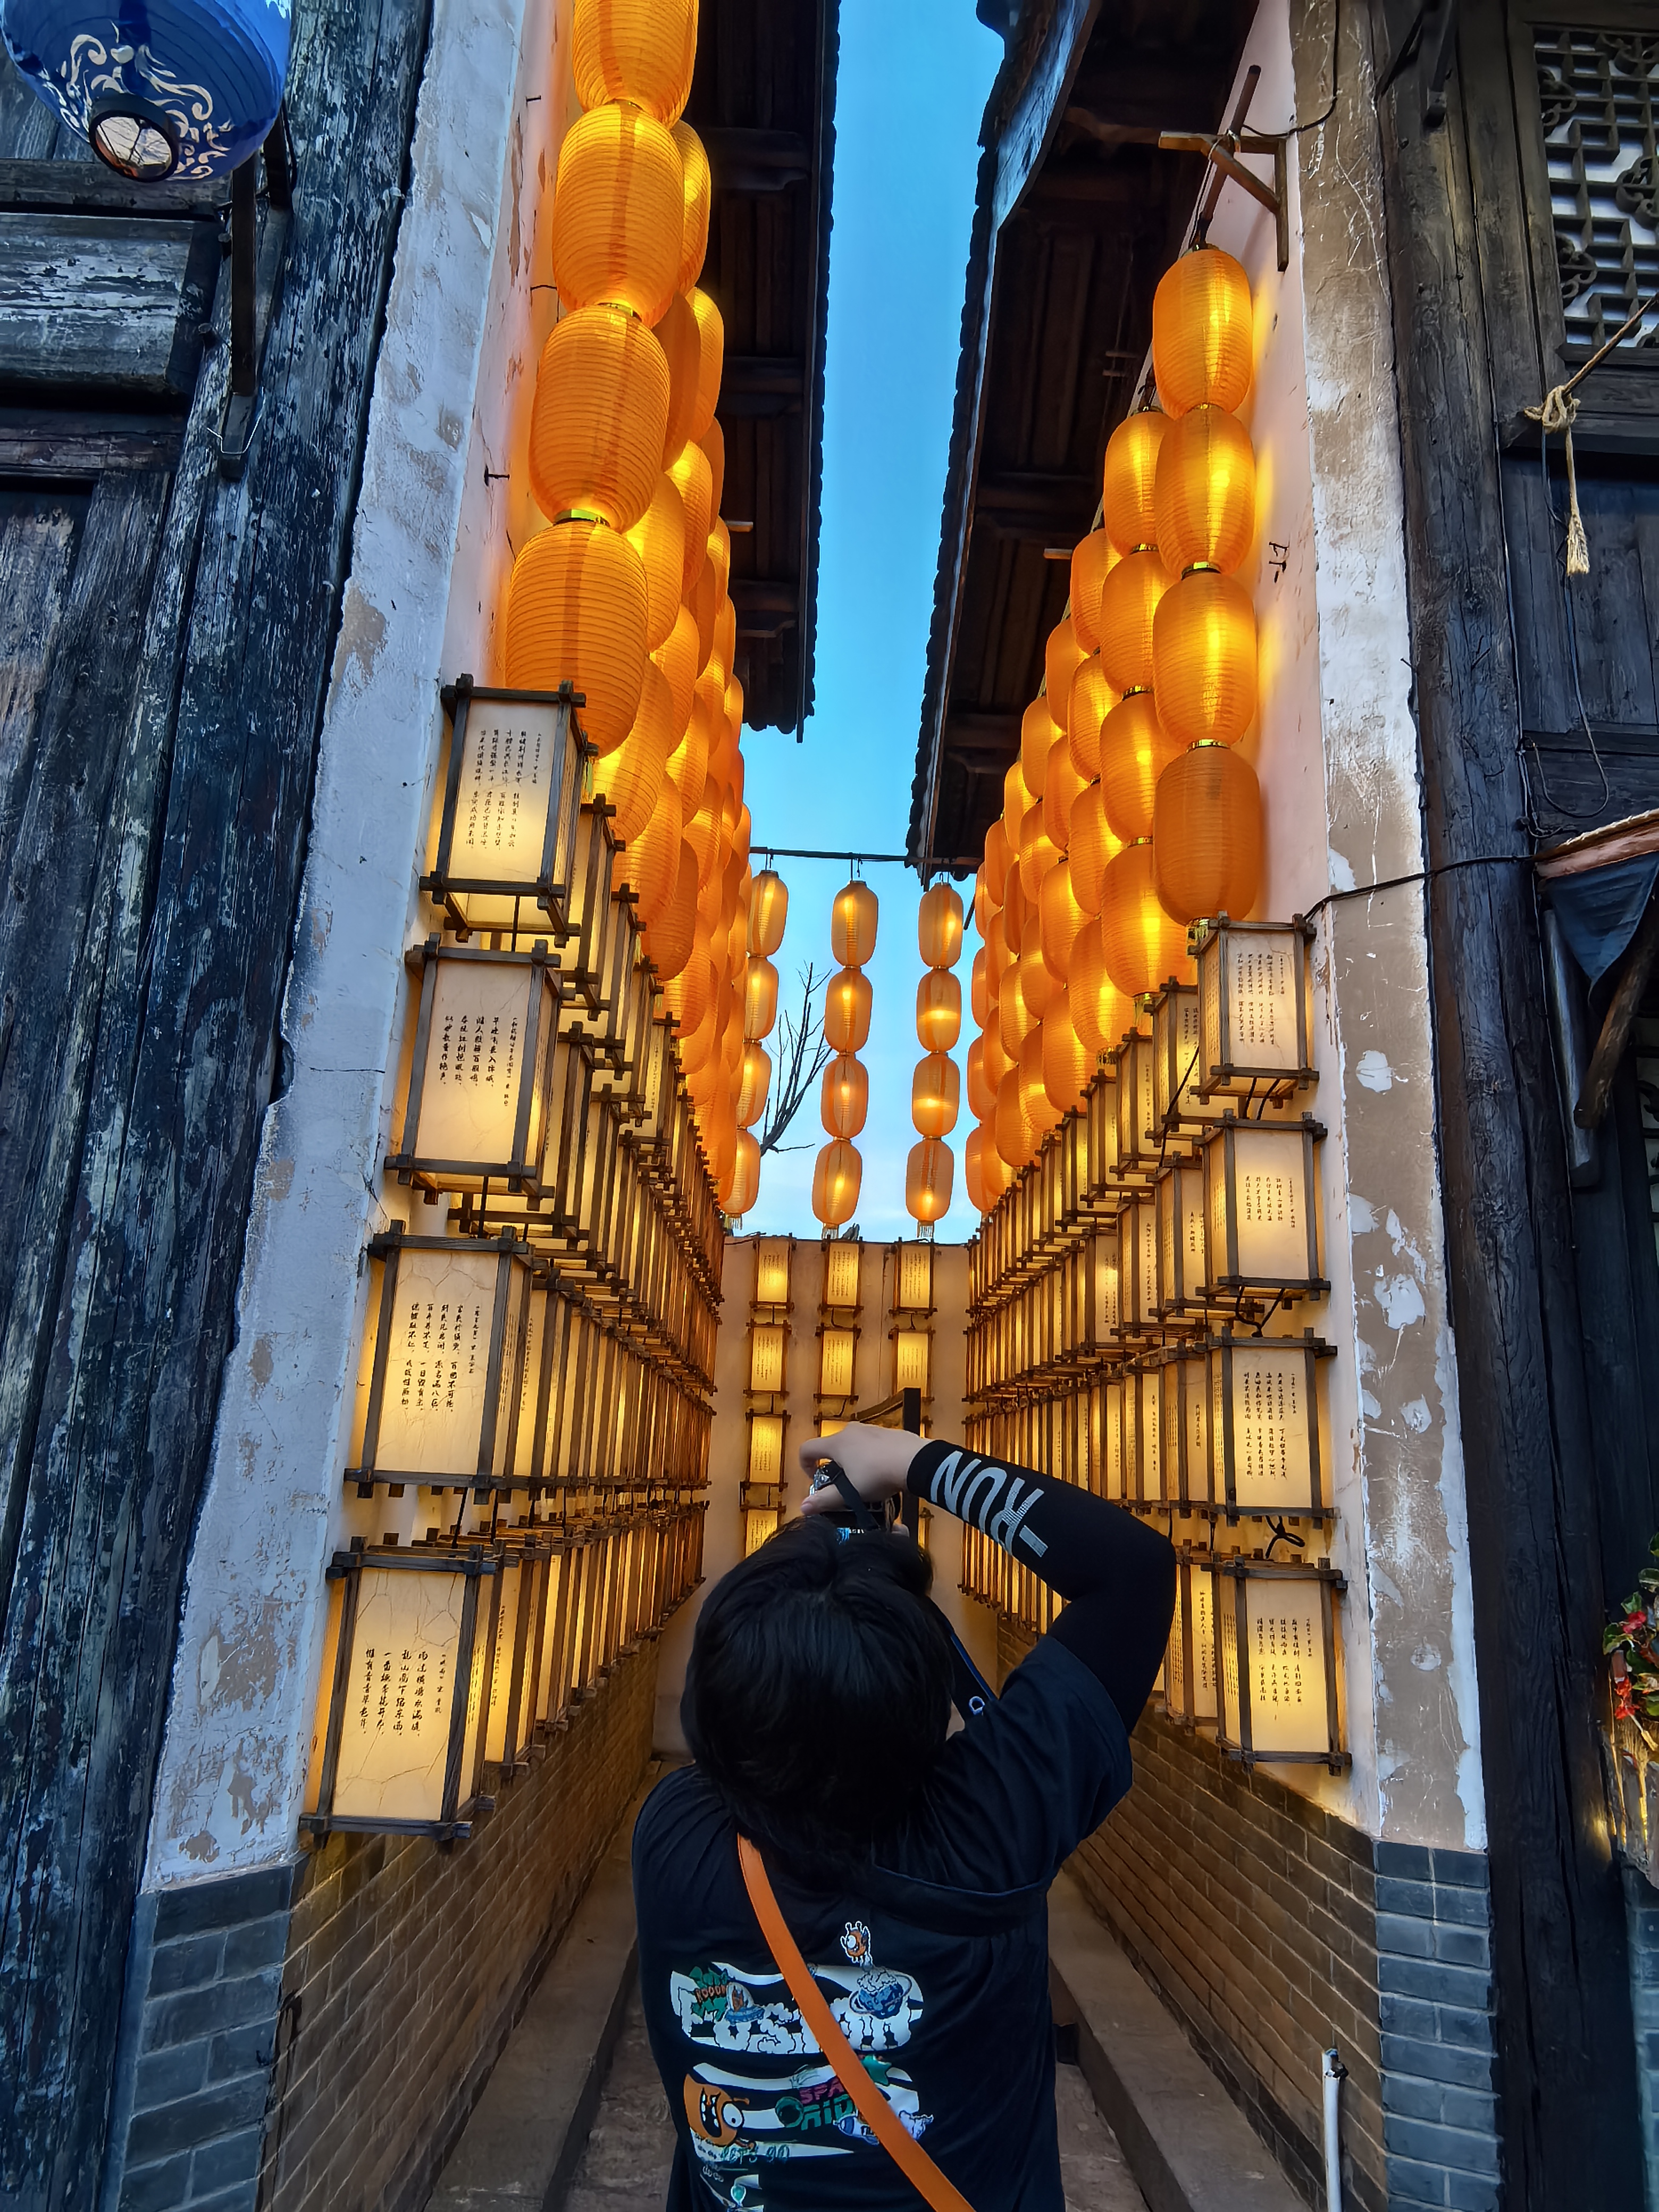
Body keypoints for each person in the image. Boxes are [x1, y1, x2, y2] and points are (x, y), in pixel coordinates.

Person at [632, 1420, 1177, 2210]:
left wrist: (840, 1582)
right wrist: (904, 1461)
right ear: (925, 1713)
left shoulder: (674, 1839)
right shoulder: (984, 1842)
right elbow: (1131, 1569)